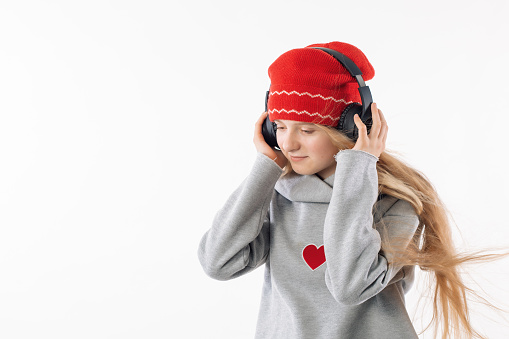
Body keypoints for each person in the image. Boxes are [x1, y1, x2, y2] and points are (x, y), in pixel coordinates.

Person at [197, 41, 505, 338]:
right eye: (279, 126)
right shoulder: (280, 196)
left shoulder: (393, 203)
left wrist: (358, 167)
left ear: (351, 128)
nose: (288, 144)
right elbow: (217, 262)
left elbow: (350, 286)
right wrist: (265, 169)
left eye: (307, 129)